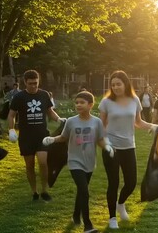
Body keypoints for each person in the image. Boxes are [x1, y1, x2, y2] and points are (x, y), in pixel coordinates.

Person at [42, 91, 113, 233]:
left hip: (89, 162)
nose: (78, 105)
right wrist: (52, 139)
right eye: (77, 102)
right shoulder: (71, 121)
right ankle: (88, 225)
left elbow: (99, 139)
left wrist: (107, 147)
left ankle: (75, 216)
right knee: (85, 192)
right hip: (74, 161)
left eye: (82, 102)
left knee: (82, 190)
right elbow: (63, 137)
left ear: (91, 105)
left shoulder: (96, 122)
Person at [98, 70, 158, 229]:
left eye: (118, 84)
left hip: (129, 146)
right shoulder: (106, 102)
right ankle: (112, 218)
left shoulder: (134, 100)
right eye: (113, 85)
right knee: (114, 182)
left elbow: (138, 122)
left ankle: (121, 203)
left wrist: (153, 126)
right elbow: (100, 126)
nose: (115, 87)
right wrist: (104, 143)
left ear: (125, 84)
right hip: (111, 147)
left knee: (131, 182)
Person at [7, 70, 65, 201]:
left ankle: (44, 190)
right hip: (26, 137)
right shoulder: (19, 97)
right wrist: (11, 130)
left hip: (42, 135)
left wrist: (59, 120)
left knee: (43, 162)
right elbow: (11, 115)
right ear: (25, 83)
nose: (33, 86)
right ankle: (34, 191)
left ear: (38, 81)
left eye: (35, 83)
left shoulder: (44, 95)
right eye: (30, 83)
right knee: (29, 165)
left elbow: (50, 111)